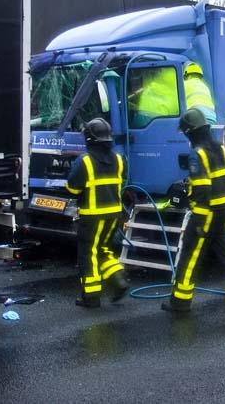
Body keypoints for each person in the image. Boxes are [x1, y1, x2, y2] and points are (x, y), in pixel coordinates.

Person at [162, 109, 225, 319]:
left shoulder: (198, 153)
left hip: (204, 215)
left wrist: (198, 220)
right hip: (224, 213)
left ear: (190, 133)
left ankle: (180, 302)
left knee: (189, 256)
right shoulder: (221, 149)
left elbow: (203, 189)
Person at [66, 117, 129, 308]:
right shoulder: (119, 159)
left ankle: (91, 297)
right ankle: (119, 280)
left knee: (88, 253)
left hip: (92, 216)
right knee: (104, 249)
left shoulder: (85, 161)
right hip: (114, 215)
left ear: (89, 138)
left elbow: (72, 189)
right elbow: (123, 182)